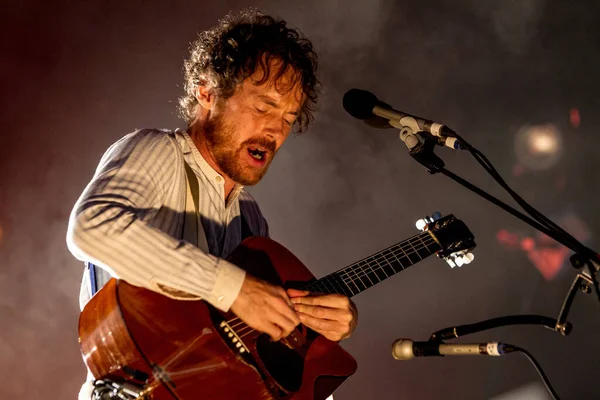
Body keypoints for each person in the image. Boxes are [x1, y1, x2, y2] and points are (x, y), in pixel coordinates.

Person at [67, 9, 358, 399]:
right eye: (263, 107)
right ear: (207, 92)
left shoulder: (251, 218)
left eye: (288, 118)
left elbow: (249, 350)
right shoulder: (159, 151)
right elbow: (92, 228)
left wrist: (318, 333)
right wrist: (233, 287)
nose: (276, 130)